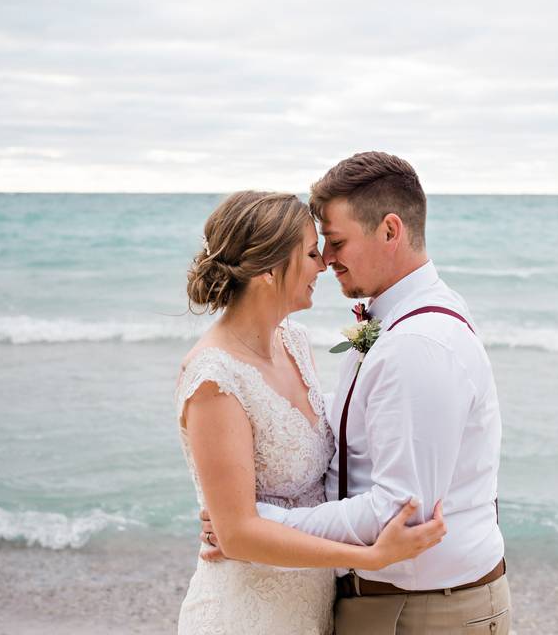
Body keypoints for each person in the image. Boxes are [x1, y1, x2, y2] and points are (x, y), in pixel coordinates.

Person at [200, 154, 511, 634]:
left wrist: (257, 523)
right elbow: (346, 450)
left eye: (337, 241)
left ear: (390, 231)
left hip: (421, 611)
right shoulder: (395, 320)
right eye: (320, 244)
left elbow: (398, 512)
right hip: (392, 602)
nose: (325, 258)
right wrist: (244, 525)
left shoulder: (416, 344)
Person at [175, 190, 447, 635]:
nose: (323, 265)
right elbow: (239, 534)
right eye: (311, 253)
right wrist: (371, 557)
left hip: (310, 606)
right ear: (267, 269)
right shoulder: (214, 378)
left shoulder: (295, 343)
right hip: (247, 614)